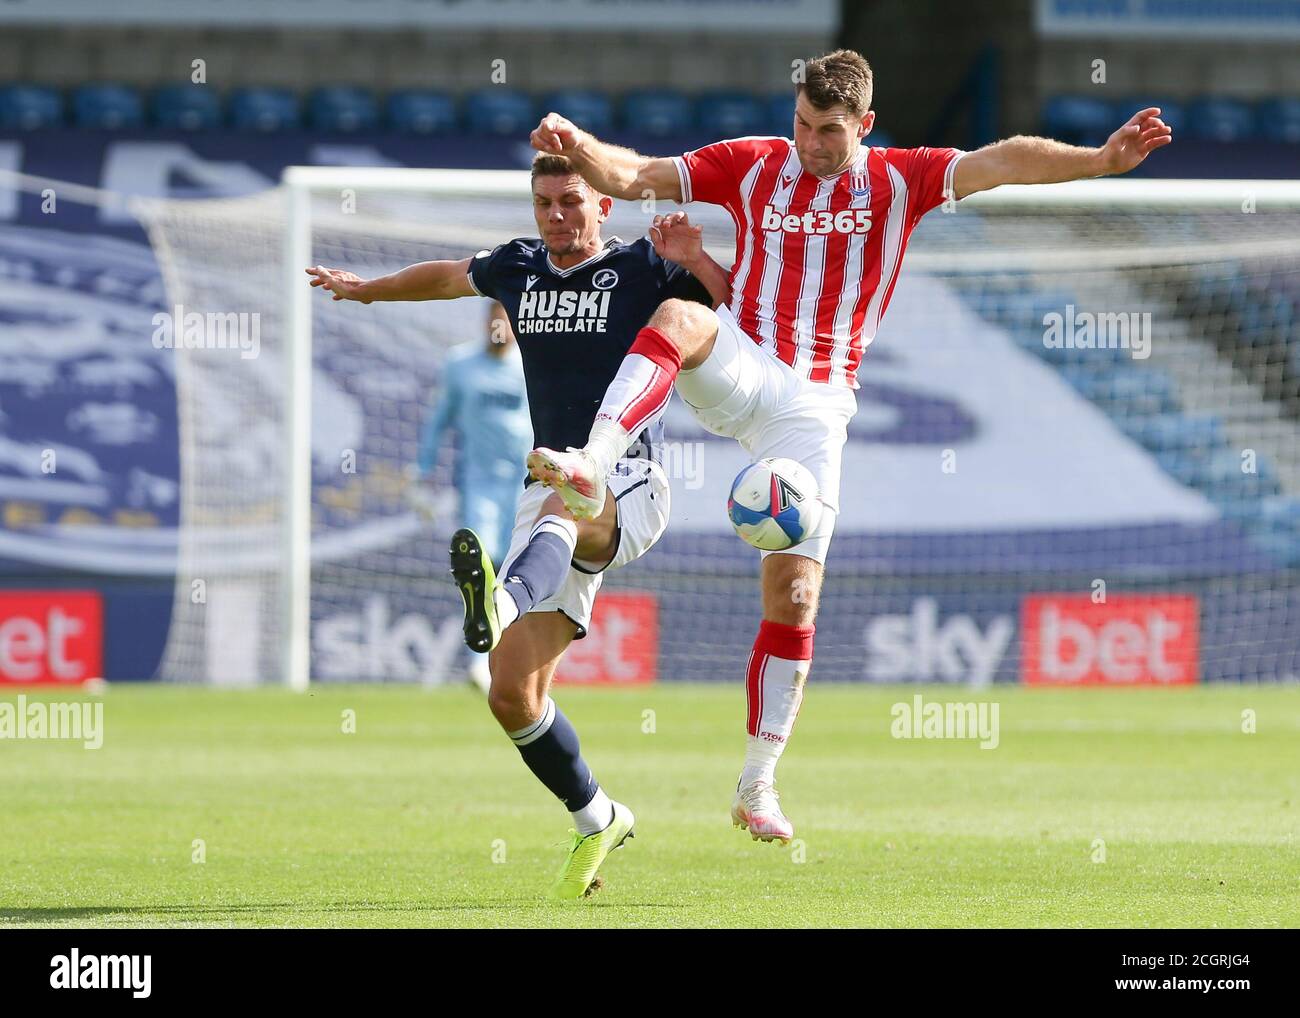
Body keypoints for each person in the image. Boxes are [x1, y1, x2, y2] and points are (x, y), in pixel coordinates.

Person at [527, 48, 1173, 844]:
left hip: (816, 407)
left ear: (864, 125)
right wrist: (578, 141)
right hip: (747, 364)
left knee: (795, 594)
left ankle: (756, 786)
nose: (809, 141)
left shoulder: (901, 180)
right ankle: (594, 461)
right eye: (801, 122)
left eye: (828, 130)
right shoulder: (754, 164)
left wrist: (1102, 161)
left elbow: (1002, 160)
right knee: (680, 319)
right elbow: (632, 177)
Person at [306, 152, 729, 899]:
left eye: (571, 200)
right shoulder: (519, 267)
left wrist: (698, 260)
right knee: (512, 695)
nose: (557, 215)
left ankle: (495, 603)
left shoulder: (644, 267)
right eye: (544, 203)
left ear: (603, 205)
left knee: (572, 501)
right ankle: (598, 815)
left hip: (627, 477)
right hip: (550, 493)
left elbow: (739, 313)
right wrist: (367, 292)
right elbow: (443, 276)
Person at [412, 301, 531, 693]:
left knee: (521, 567)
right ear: (486, 322)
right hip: (478, 483)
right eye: (495, 318)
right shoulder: (460, 365)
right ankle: (479, 662)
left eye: (508, 319)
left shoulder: (531, 364)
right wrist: (422, 475)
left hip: (525, 484)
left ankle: (515, 661)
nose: (501, 326)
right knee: (480, 565)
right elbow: (438, 422)